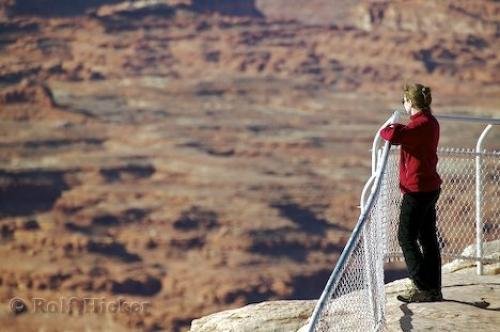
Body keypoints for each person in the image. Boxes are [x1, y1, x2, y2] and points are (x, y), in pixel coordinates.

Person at [380, 83, 443, 303]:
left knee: (405, 237)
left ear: (410, 102)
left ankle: (422, 286)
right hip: (430, 187)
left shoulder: (419, 125)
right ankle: (434, 288)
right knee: (427, 238)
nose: (403, 105)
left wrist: (391, 125)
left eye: (404, 101)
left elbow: (389, 134)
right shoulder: (430, 122)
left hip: (417, 190)